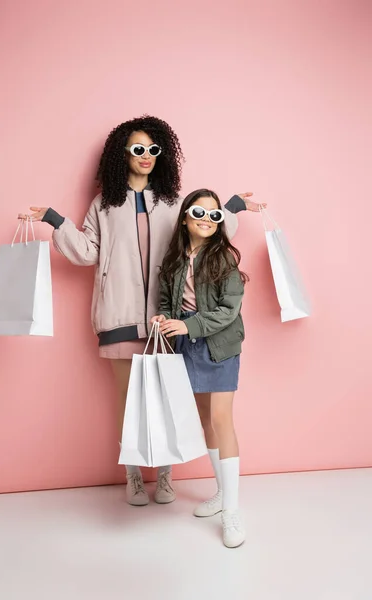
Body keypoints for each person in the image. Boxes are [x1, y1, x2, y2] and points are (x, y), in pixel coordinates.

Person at [19, 115, 265, 509]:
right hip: (118, 314)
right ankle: (132, 476)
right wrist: (54, 219)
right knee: (126, 399)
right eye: (138, 149)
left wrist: (232, 206)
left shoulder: (171, 200)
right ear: (123, 154)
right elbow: (86, 251)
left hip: (167, 321)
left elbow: (203, 229)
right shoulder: (104, 204)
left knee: (167, 398)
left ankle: (164, 476)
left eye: (153, 149)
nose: (147, 156)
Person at [151, 189, 248, 548]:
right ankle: (222, 493)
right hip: (187, 346)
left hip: (220, 346)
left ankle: (232, 511)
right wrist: (165, 317)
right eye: (199, 212)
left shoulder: (223, 259)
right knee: (205, 419)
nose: (207, 219)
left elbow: (229, 311)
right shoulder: (175, 258)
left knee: (222, 420)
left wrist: (189, 326)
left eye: (214, 215)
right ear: (185, 217)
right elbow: (166, 300)